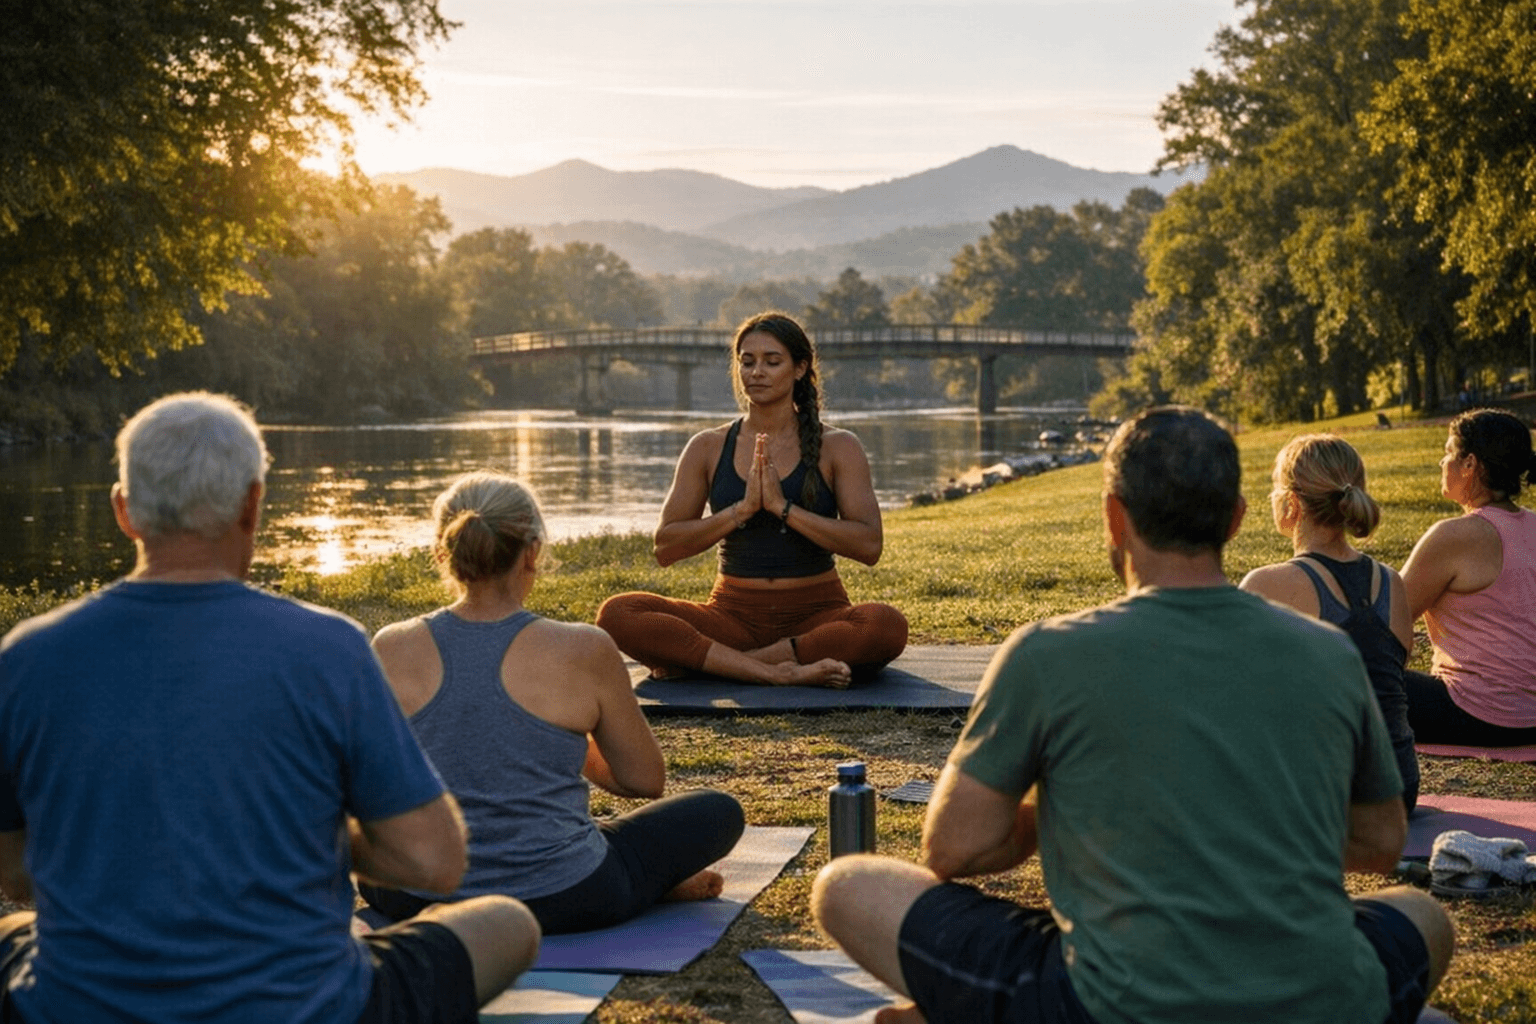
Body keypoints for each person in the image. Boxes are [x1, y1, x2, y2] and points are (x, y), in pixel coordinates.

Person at [811, 406, 1453, 1024]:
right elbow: (1379, 843)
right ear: (1235, 520)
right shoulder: (1332, 653)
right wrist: (1245, 826)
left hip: (1105, 1004)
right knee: (1425, 919)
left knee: (845, 886)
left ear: (1114, 517)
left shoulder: (1046, 653)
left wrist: (1065, 816)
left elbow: (953, 847)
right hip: (1326, 1000)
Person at [0, 393, 538, 1024]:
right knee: (508, 923)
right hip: (308, 1009)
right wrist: (305, 832)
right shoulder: (327, 646)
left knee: (14, 925)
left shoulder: (26, 657)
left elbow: (16, 871)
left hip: (74, 1009)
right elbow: (435, 861)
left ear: (123, 511)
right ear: (254, 503)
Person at [357, 472, 745, 935]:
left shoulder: (391, 644)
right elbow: (643, 780)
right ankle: (649, 882)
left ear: (443, 552)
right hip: (565, 896)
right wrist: (560, 736)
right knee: (719, 812)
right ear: (532, 552)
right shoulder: (584, 648)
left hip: (413, 898)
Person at [596, 311, 908, 687]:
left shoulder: (838, 446)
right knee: (618, 613)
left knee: (884, 625)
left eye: (772, 362)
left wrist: (783, 509)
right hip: (731, 618)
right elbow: (666, 547)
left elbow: (869, 545)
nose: (756, 371)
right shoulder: (707, 447)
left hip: (817, 617)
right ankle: (775, 672)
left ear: (799, 368)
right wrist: (741, 510)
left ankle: (724, 666)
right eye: (747, 361)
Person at [1240, 434, 1419, 810]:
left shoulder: (1266, 584)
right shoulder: (1391, 581)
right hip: (1399, 788)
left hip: (1327, 793)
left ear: (1291, 503)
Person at [1401, 408, 1536, 745]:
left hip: (1482, 715)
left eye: (1448, 452)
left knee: (1344, 676)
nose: (1441, 462)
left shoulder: (1454, 536)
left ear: (1470, 464)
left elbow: (1390, 615)